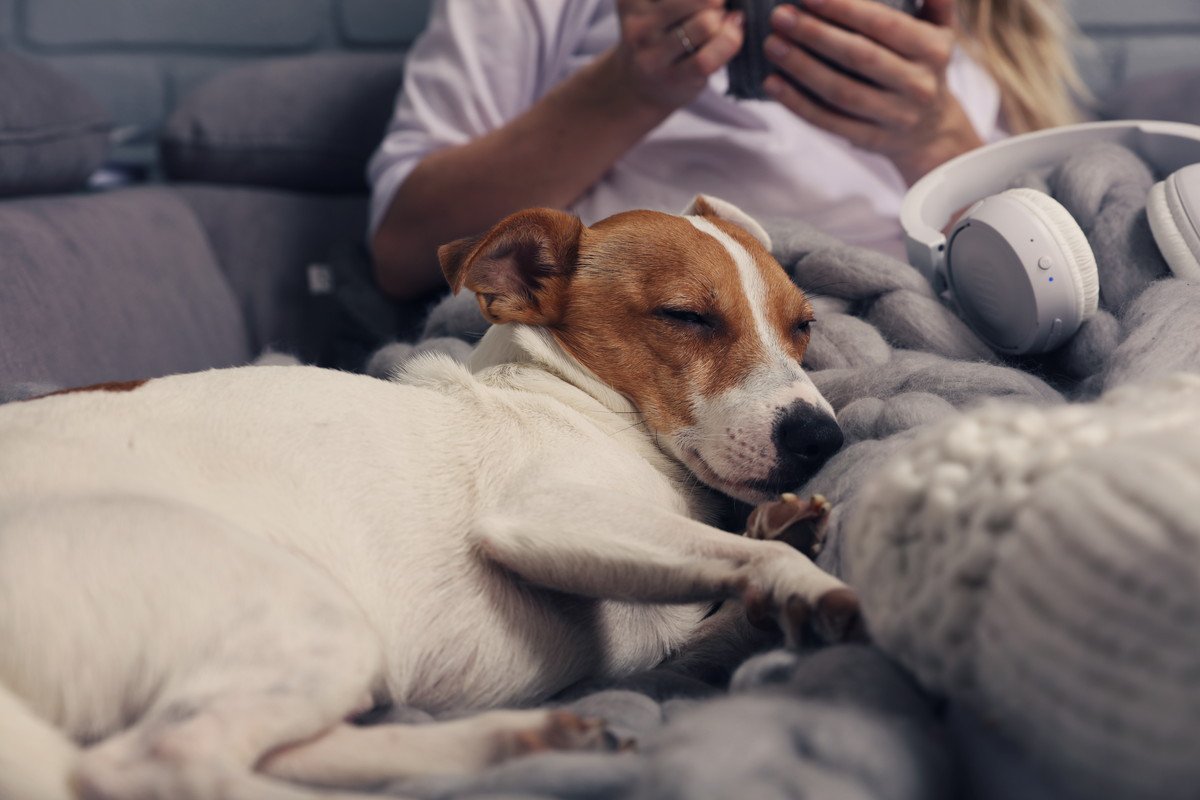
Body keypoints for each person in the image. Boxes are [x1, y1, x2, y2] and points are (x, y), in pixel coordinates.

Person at [368, 0, 1086, 299]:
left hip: (901, 319)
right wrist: (629, 89)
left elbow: (1061, 270)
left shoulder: (978, 21)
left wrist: (933, 137)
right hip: (645, 330)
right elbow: (407, 250)